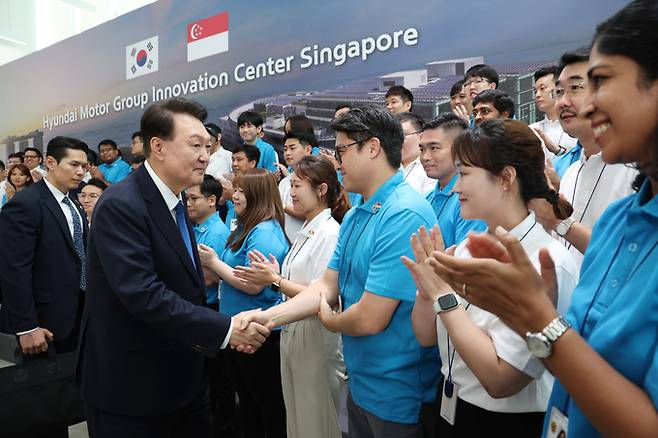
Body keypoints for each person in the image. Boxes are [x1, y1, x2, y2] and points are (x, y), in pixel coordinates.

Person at [427, 3, 658, 436]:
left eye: (599, 82)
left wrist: (536, 319)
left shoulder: (556, 252)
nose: (583, 106)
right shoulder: (615, 224)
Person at [238, 106, 441, 438]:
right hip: (360, 381)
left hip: (397, 391)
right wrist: (267, 319)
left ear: (372, 147)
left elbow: (370, 317)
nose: (337, 160)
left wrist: (330, 320)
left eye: (343, 150)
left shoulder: (404, 213)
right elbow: (326, 286)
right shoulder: (358, 213)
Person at [77, 98, 270, 438]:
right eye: (195, 145)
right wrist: (225, 329)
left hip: (183, 380)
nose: (205, 156)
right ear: (158, 146)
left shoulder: (178, 199)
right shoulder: (122, 205)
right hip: (134, 388)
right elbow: (144, 294)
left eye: (208, 147)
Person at [405, 119, 579, 437]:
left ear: (505, 179)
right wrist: (426, 291)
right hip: (453, 408)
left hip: (505, 423)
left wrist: (443, 296)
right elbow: (427, 337)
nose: (456, 186)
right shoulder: (467, 249)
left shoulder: (547, 263)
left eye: (466, 174)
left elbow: (501, 380)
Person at [234, 155, 350, 438]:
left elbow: (323, 296)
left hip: (316, 334)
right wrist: (277, 278)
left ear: (321, 190)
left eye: (297, 186)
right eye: (291, 185)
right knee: (297, 419)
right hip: (293, 329)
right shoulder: (308, 229)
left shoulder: (329, 234)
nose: (291, 193)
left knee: (317, 421)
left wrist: (275, 281)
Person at [0, 137, 89, 438]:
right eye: (73, 165)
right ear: (50, 163)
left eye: (84, 166)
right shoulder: (25, 205)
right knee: (40, 404)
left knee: (64, 399)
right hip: (43, 323)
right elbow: (14, 270)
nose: (80, 172)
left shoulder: (72, 202)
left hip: (78, 316)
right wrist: (26, 326)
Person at [198, 168, 290, 438]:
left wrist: (214, 263)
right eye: (235, 189)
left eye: (240, 191)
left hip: (260, 333)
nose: (234, 195)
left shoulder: (264, 233)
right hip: (239, 327)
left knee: (266, 407)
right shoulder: (247, 226)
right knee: (249, 403)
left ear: (257, 195)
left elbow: (253, 283)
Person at [529, 51, 637, 268]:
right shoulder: (570, 174)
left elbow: (629, 259)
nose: (562, 101)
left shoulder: (638, 172)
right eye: (559, 92)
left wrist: (560, 222)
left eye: (576, 88)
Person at [186, 174, 235, 438]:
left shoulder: (216, 232)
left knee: (218, 383)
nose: (189, 203)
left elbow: (211, 277)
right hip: (199, 309)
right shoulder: (194, 227)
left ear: (213, 200)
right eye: (188, 198)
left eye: (194, 198)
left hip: (211, 310)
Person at [420, 113, 486, 248]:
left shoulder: (471, 200)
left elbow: (467, 262)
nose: (425, 157)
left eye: (434, 148)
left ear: (460, 149)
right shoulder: (426, 199)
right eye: (422, 149)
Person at [529, 66, 578, 159]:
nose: (537, 95)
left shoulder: (576, 127)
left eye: (542, 88)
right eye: (535, 91)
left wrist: (558, 151)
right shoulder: (531, 130)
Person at [278, 130, 315, 239]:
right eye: (285, 149)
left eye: (292, 148)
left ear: (308, 149)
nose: (287, 153)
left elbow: (312, 213)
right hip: (286, 244)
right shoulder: (284, 182)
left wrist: (282, 206)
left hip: (306, 242)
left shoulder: (315, 179)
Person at [221, 144, 260, 229]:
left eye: (239, 160)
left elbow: (256, 207)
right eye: (233, 160)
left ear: (252, 163)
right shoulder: (230, 183)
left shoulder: (260, 184)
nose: (234, 164)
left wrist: (231, 195)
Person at [399, 112, 436, 194]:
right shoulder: (389, 166)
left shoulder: (430, 168)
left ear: (421, 136)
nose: (396, 140)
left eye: (402, 135)